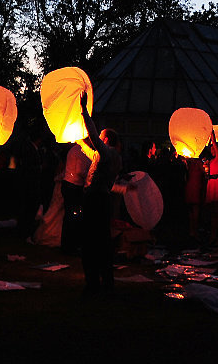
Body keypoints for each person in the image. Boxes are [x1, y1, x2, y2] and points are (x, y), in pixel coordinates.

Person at [79, 91, 122, 295]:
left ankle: (95, 282)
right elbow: (91, 152)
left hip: (96, 200)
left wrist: (84, 111)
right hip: (100, 199)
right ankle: (104, 281)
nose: (97, 140)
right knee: (101, 240)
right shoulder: (107, 156)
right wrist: (78, 141)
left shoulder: (108, 153)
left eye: (101, 137)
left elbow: (94, 140)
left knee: (92, 240)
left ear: (106, 139)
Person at [59, 140, 92, 255]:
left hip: (70, 185)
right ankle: (69, 246)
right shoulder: (80, 151)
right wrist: (89, 176)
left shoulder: (74, 150)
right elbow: (79, 171)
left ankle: (68, 245)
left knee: (70, 216)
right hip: (73, 186)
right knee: (73, 216)